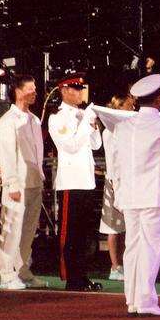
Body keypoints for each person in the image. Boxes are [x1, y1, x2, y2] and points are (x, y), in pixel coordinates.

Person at [111, 74, 160, 316]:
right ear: (157, 99)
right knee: (151, 249)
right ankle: (145, 301)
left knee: (132, 247)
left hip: (129, 196)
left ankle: (132, 299)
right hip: (154, 196)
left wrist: (118, 192)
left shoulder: (122, 128)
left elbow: (115, 164)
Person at [48, 74, 103, 292]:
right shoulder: (57, 117)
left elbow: (96, 145)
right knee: (70, 234)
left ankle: (82, 275)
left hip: (86, 180)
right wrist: (85, 124)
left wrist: (92, 125)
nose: (81, 92)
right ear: (64, 91)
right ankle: (72, 277)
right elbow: (70, 146)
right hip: (71, 181)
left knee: (83, 233)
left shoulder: (82, 114)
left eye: (81, 89)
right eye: (76, 89)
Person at [0, 75, 48, 290]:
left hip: (34, 181)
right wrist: (12, 184)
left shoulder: (34, 120)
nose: (34, 92)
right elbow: (7, 155)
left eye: (35, 88)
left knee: (27, 231)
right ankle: (6, 274)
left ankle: (23, 270)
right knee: (11, 229)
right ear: (17, 91)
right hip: (17, 184)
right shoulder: (7, 122)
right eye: (30, 89)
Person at [100, 94, 135, 281]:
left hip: (127, 181)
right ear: (119, 107)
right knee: (113, 226)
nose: (132, 109)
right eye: (129, 106)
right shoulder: (109, 131)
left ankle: (122, 263)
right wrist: (114, 183)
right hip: (114, 182)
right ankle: (115, 266)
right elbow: (112, 160)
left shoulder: (126, 130)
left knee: (126, 227)